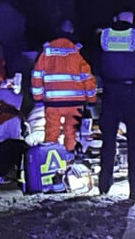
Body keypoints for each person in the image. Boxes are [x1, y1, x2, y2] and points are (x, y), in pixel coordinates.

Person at [95, 10, 135, 200]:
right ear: (131, 21)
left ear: (116, 19)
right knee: (134, 144)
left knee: (108, 141)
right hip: (132, 93)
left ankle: (104, 185)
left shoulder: (104, 36)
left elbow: (95, 65)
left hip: (110, 93)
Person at [31, 20, 97, 156]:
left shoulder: (47, 50)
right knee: (70, 131)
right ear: (72, 31)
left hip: (53, 101)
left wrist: (37, 98)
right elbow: (87, 76)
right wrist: (91, 100)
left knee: (51, 131)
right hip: (75, 101)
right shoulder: (77, 50)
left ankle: (50, 161)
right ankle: (68, 160)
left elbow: (37, 75)